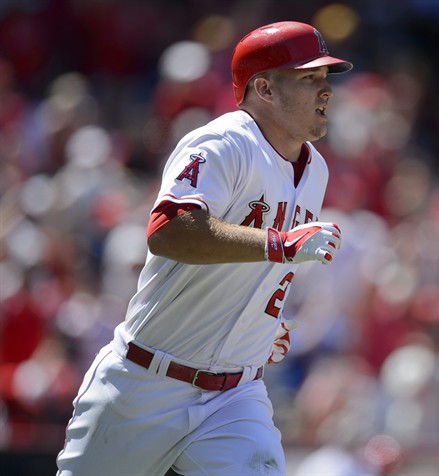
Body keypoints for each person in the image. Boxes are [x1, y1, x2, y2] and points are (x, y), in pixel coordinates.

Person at [56, 20, 353, 476]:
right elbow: (170, 230)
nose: (325, 90)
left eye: (325, 78)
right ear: (265, 89)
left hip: (235, 395)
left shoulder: (315, 170)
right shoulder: (222, 142)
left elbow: (260, 263)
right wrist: (281, 244)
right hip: (146, 382)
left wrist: (253, 324)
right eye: (308, 78)